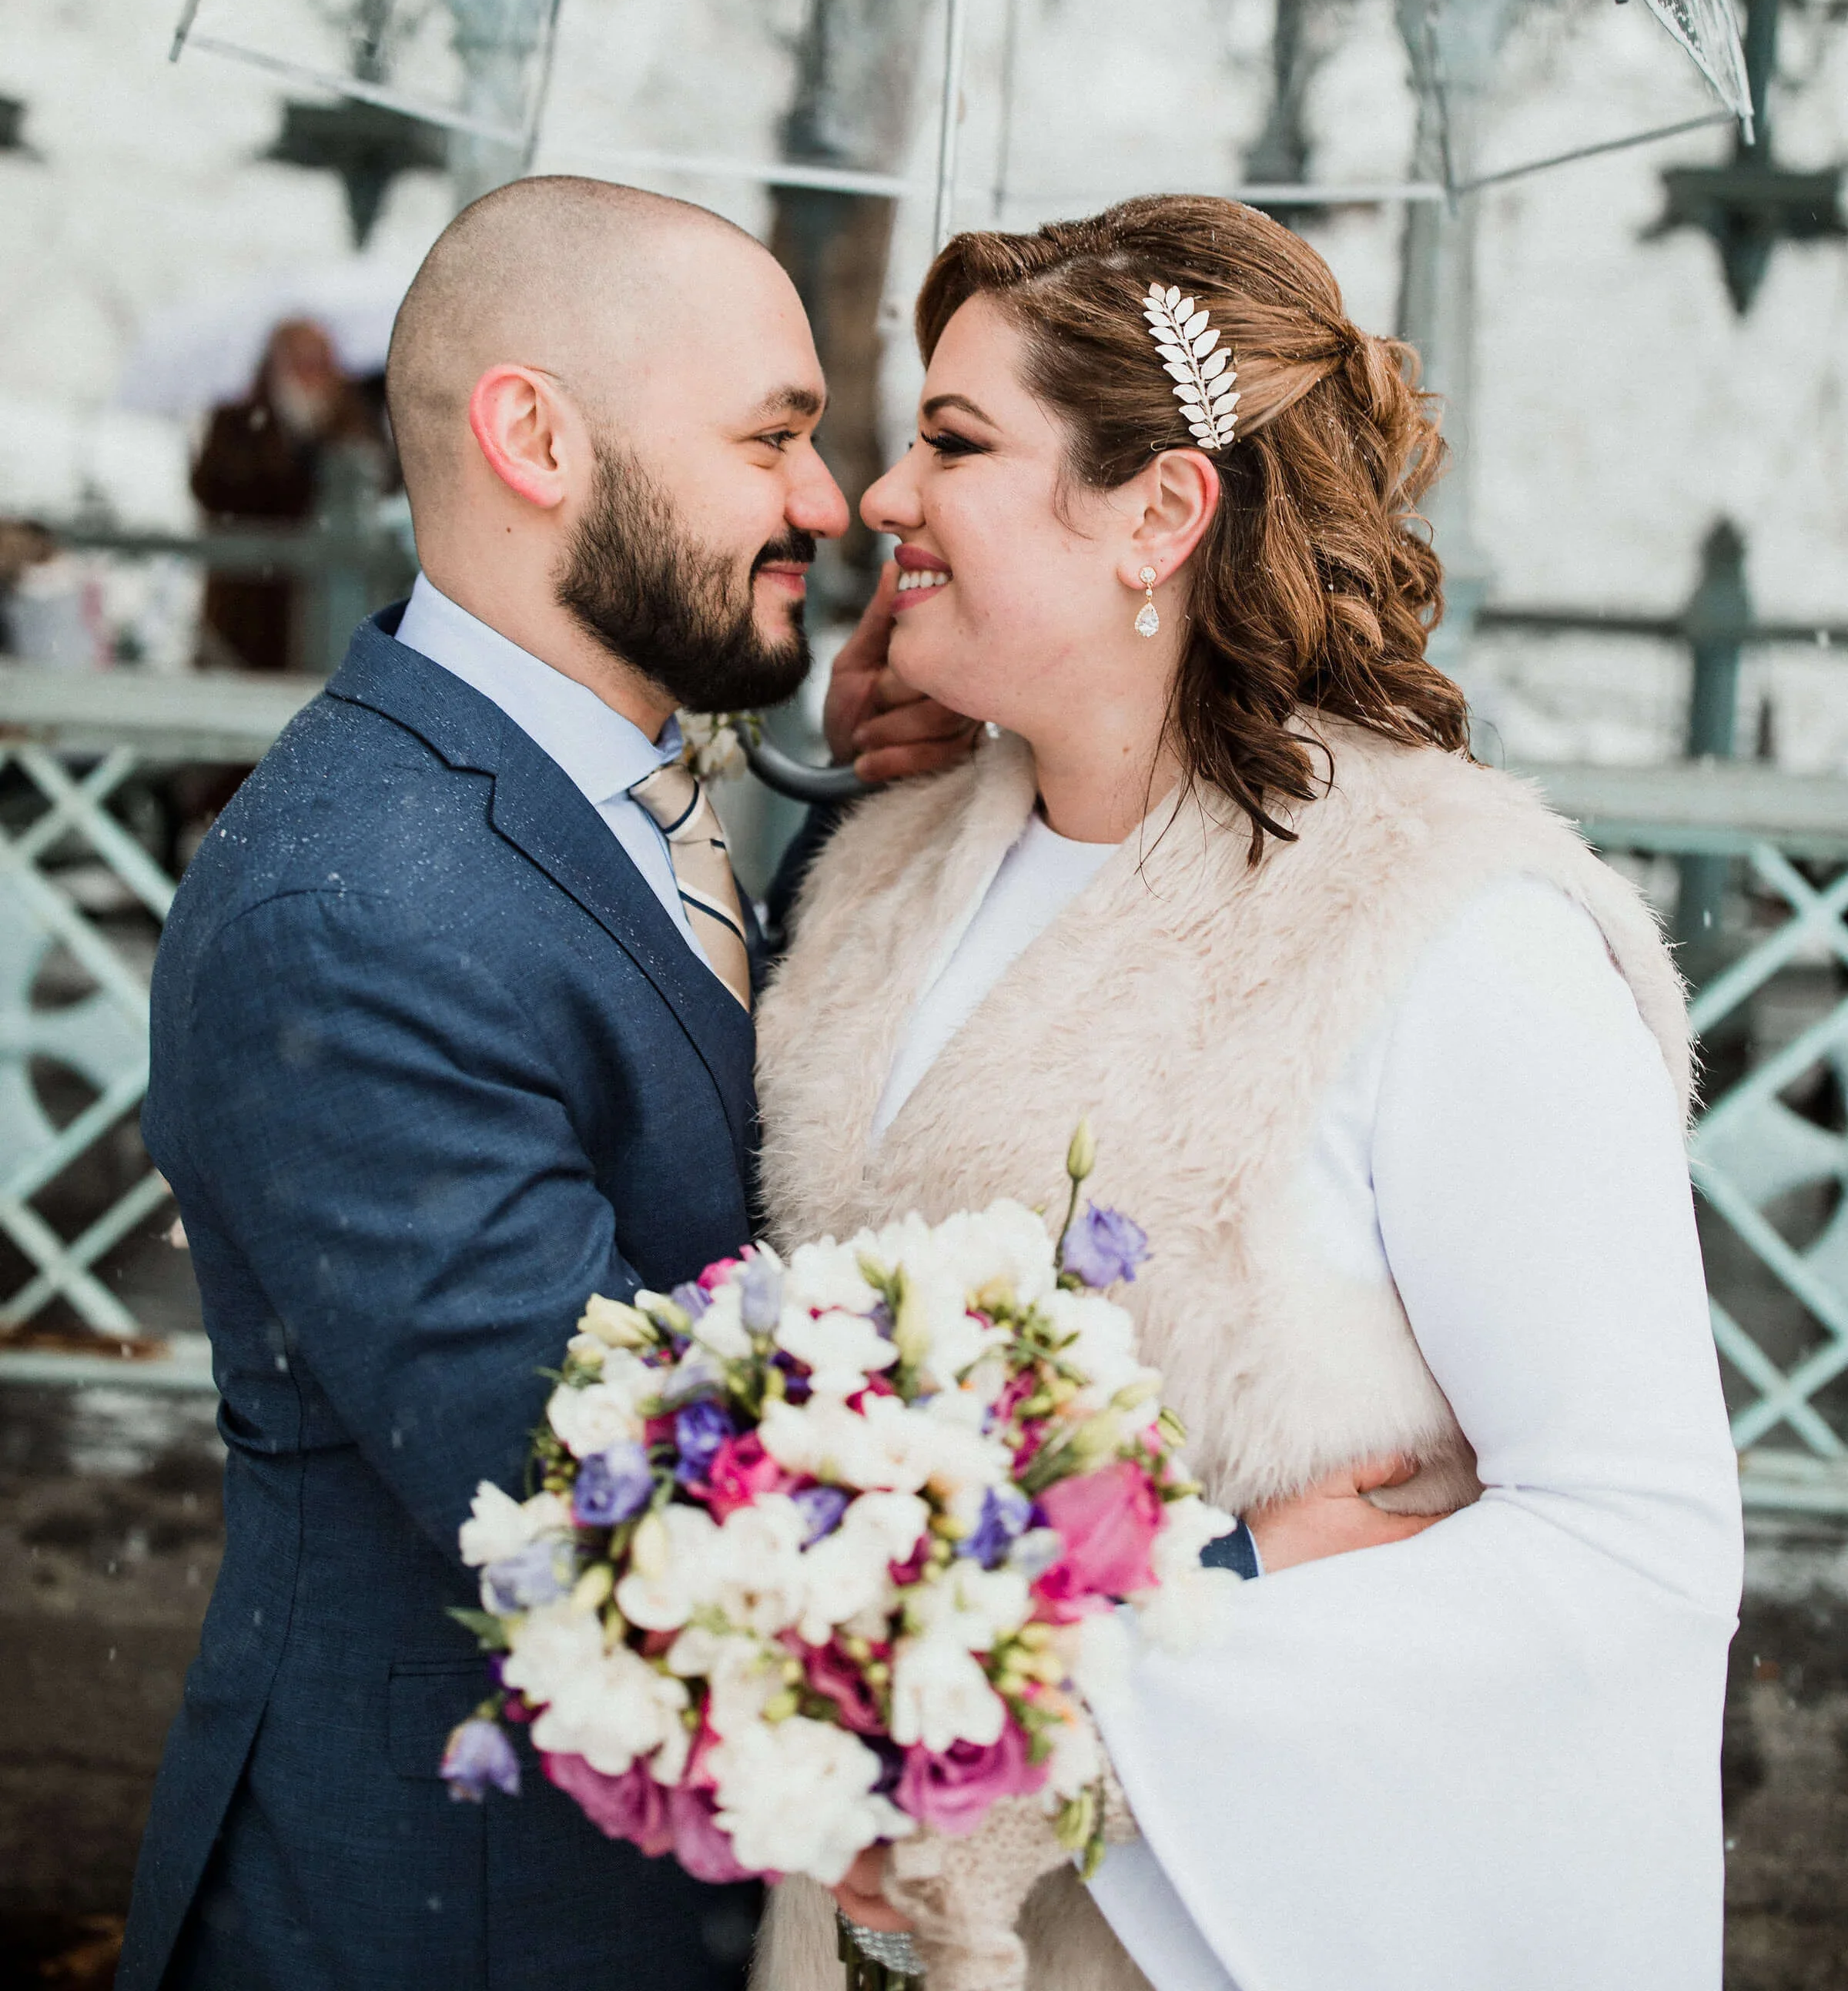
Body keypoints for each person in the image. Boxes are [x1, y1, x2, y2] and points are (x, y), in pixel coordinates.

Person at [752, 194, 1743, 1991]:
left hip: (1194, 1929)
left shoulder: (1445, 936)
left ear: (1155, 510)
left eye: (954, 443)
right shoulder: (885, 864)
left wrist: (1114, 1672)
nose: (881, 495)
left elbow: (1627, 1542)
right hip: (847, 1914)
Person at [119, 179, 972, 1991]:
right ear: (533, 436)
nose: (827, 504)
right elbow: (610, 1500)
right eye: (774, 438)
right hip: (457, 1916)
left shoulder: (632, 774)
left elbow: (700, 1119)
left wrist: (892, 815)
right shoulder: (345, 912)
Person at [190, 316, 390, 672]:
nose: (311, 373)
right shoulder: (235, 422)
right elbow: (216, 490)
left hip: (331, 599)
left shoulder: (352, 421)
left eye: (319, 361)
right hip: (250, 598)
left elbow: (380, 486)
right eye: (300, 360)